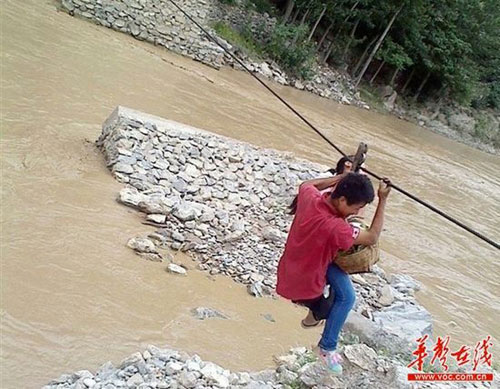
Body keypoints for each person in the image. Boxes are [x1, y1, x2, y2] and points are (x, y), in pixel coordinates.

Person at [276, 172, 391, 374]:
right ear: (343, 199)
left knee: (346, 294)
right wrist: (383, 200)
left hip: (294, 266)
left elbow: (307, 184)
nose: (355, 212)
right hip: (305, 282)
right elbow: (372, 237)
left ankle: (319, 327)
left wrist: (340, 178)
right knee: (345, 300)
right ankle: (326, 348)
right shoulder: (336, 227)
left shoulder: (310, 198)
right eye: (355, 208)